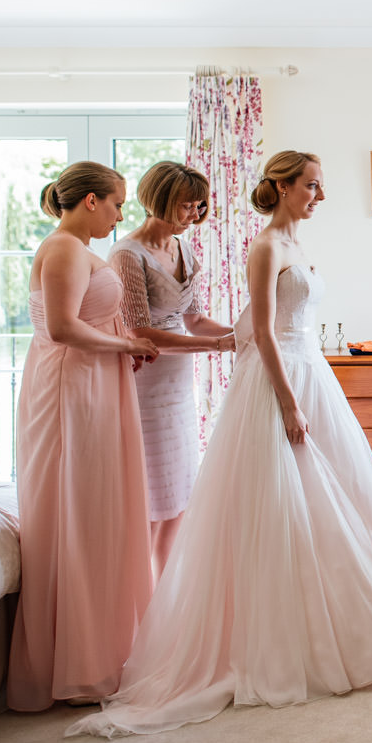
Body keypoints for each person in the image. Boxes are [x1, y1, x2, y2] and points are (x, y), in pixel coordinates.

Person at [67, 150, 372, 738]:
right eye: (312, 186)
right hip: (244, 377)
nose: (320, 195)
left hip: (304, 368)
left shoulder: (288, 245)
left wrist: (230, 344)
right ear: (285, 187)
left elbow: (214, 321)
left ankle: (332, 614)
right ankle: (168, 618)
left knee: (317, 494)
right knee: (253, 500)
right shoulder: (260, 248)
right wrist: (277, 391)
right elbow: (255, 329)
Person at [9, 161, 161, 711]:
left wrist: (124, 345)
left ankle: (106, 648)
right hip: (73, 388)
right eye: (118, 203)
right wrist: (127, 346)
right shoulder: (65, 249)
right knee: (80, 508)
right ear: (91, 200)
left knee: (100, 508)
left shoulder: (77, 247)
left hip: (96, 383)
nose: (122, 214)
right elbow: (62, 327)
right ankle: (77, 660)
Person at [109, 161, 236, 577]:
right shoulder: (127, 254)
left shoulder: (184, 248)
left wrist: (244, 333)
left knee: (179, 496)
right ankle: (137, 596)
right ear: (160, 200)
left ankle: (167, 590)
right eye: (187, 205)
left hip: (181, 386)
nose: (194, 214)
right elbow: (142, 331)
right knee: (151, 498)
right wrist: (217, 346)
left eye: (199, 206)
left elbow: (195, 320)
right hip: (148, 383)